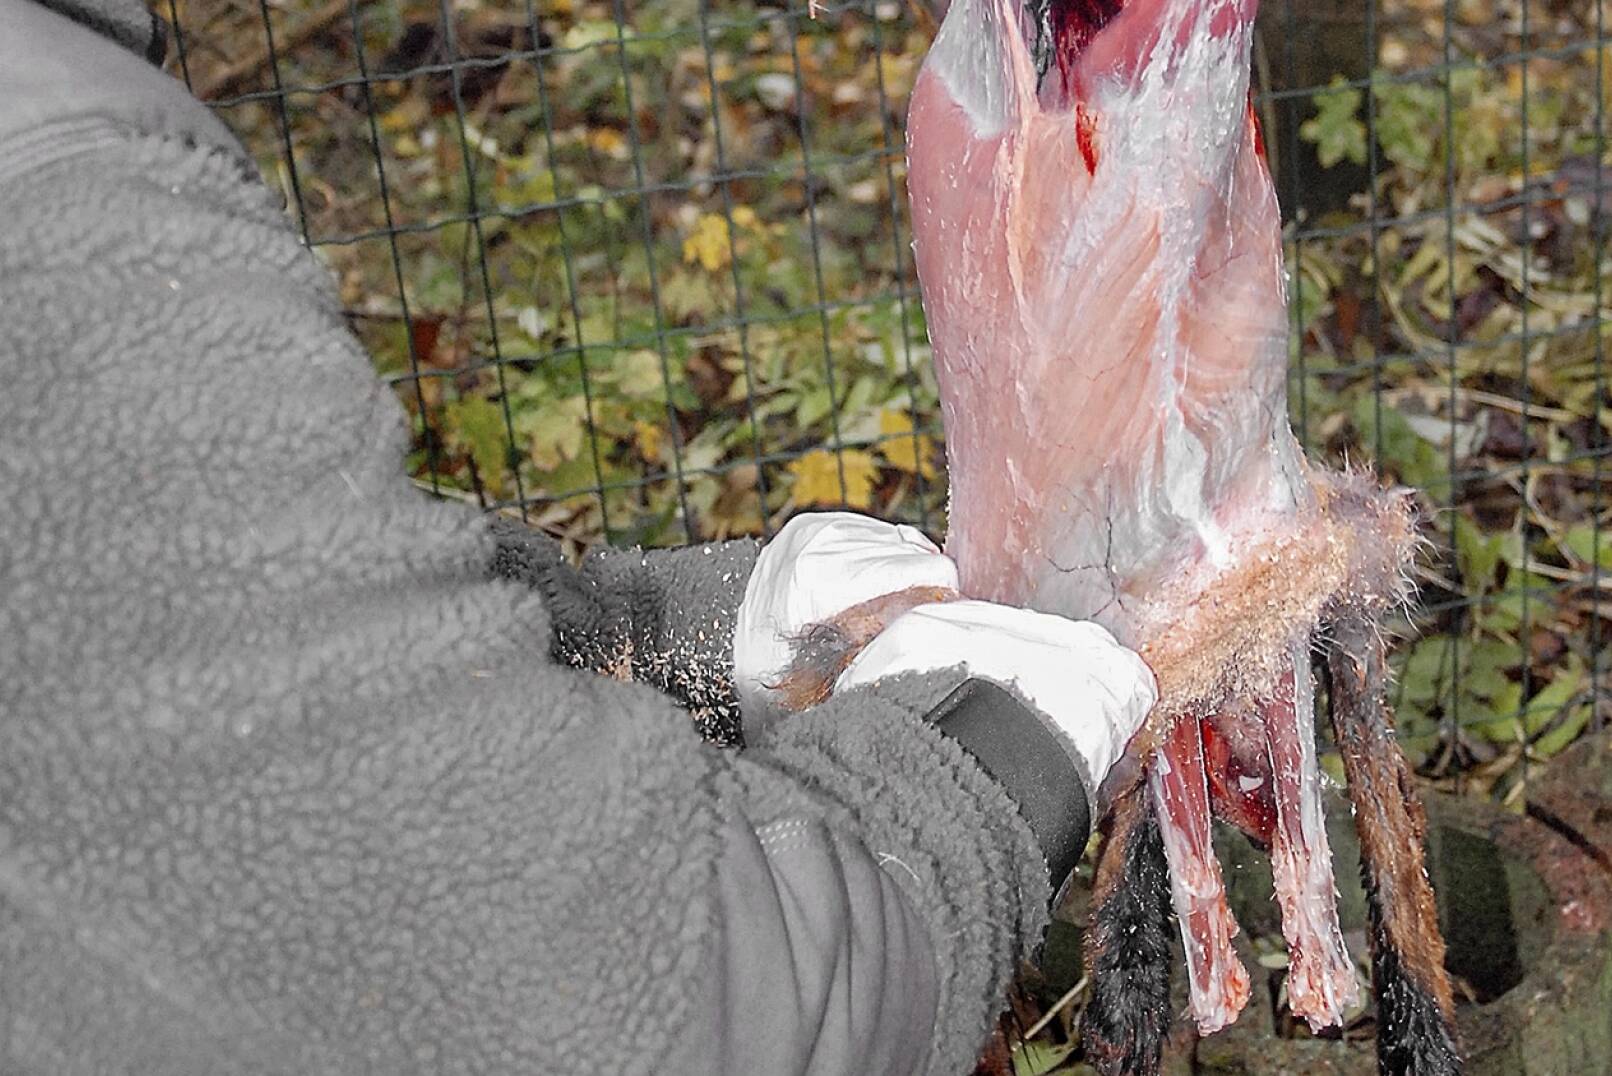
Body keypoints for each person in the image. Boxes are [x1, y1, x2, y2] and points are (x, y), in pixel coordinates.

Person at [0, 0, 1158, 1072]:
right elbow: (621, 1004)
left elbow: (172, 691)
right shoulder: (58, 201)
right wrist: (963, 772)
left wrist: (653, 639)